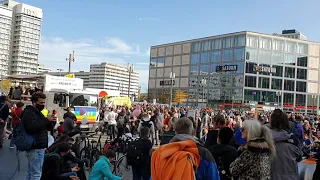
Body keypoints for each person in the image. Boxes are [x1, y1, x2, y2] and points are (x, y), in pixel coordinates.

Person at [151, 117, 220, 180]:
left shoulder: (162, 152)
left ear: (175, 132)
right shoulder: (204, 153)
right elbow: (213, 177)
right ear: (192, 132)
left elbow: (154, 176)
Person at [23, 92, 56, 180]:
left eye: (43, 103)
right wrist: (46, 120)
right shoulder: (29, 113)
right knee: (36, 174)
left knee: (31, 172)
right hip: (35, 147)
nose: (43, 105)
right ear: (34, 102)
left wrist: (50, 121)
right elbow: (31, 128)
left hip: (37, 146)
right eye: (40, 103)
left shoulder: (37, 113)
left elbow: (43, 127)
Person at [269, 109, 301, 180]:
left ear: (271, 121)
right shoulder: (293, 139)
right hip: (291, 176)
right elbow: (299, 158)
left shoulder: (264, 139)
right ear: (286, 122)